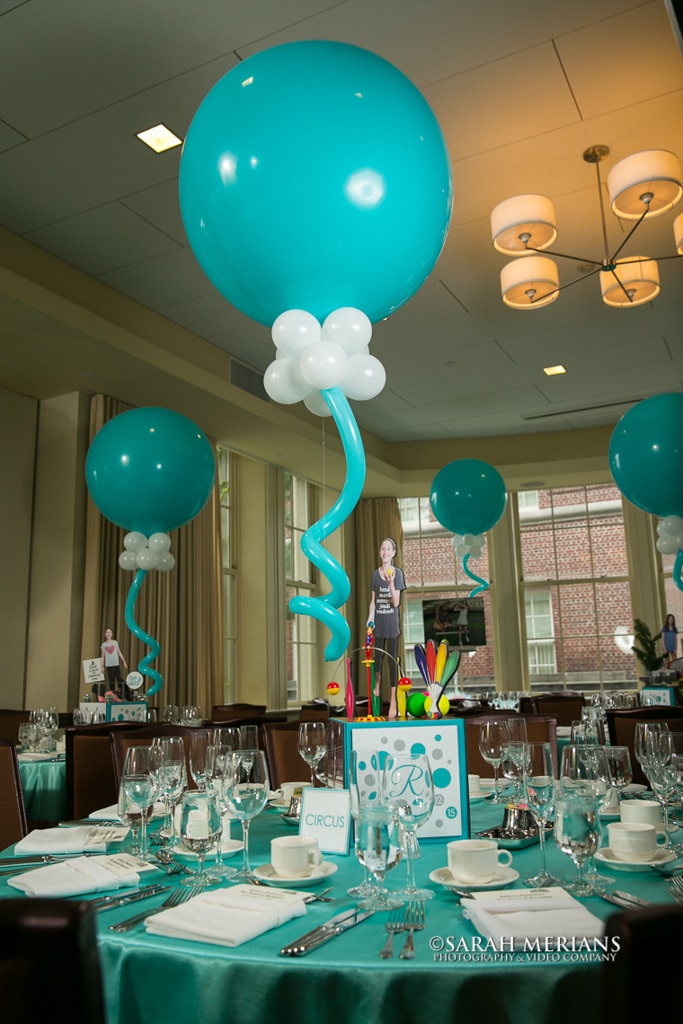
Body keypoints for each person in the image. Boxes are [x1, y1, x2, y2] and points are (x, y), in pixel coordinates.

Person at [368, 537, 406, 719]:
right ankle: (377, 685)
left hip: (392, 626)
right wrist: (370, 619)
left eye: (388, 549)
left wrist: (391, 584)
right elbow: (373, 602)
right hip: (379, 624)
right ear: (380, 552)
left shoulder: (397, 574)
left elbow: (396, 602)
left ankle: (393, 701)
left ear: (394, 553)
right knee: (378, 658)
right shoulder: (375, 575)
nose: (385, 552)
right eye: (383, 548)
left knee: (391, 662)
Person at [99, 627, 128, 695]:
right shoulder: (103, 645)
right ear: (105, 634)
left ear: (112, 634)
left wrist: (124, 661)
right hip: (108, 665)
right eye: (107, 632)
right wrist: (102, 666)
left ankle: (120, 692)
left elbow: (119, 652)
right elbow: (102, 656)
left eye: (110, 632)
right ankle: (112, 693)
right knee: (111, 680)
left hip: (116, 664)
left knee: (119, 679)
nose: (108, 634)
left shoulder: (115, 642)